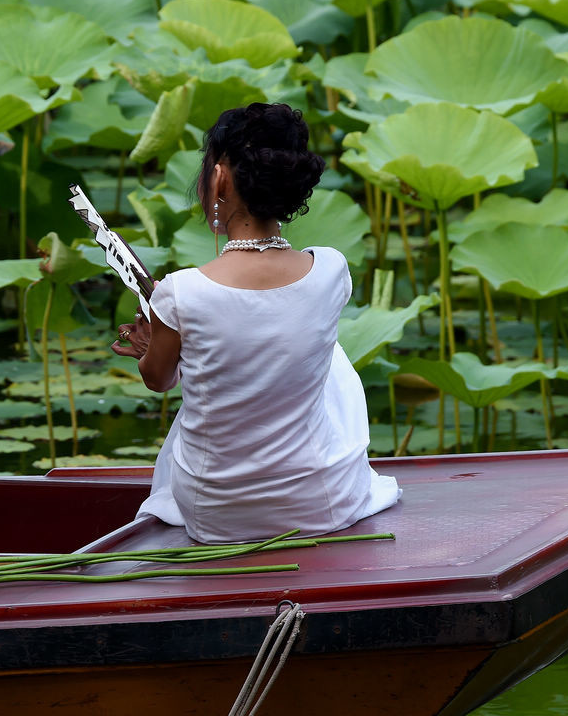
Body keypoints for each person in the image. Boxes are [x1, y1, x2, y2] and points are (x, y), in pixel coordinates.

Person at [111, 102, 401, 544]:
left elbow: (159, 380)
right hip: (320, 504)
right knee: (323, 351)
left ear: (220, 178)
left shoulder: (179, 291)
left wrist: (158, 343)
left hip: (218, 515)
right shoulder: (330, 269)